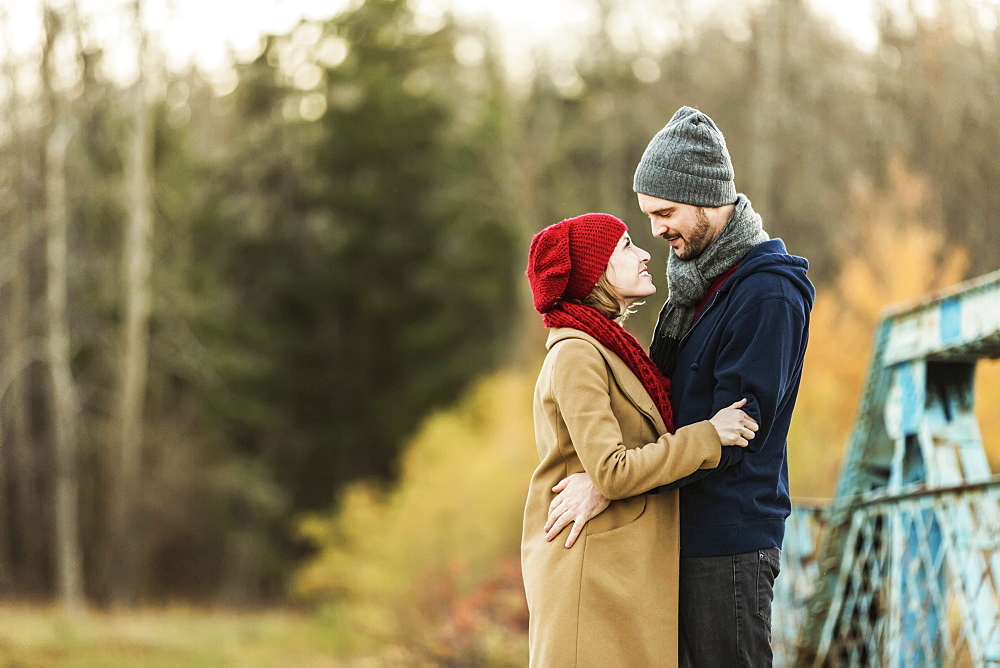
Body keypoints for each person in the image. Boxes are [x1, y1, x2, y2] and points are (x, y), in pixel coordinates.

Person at [544, 107, 815, 666]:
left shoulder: (766, 295)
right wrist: (610, 476)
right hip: (678, 535)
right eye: (648, 216)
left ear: (707, 197)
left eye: (665, 212)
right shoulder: (697, 290)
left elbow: (734, 435)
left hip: (728, 542)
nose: (656, 231)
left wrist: (612, 482)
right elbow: (669, 414)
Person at [521, 212, 759, 667]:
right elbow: (611, 470)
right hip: (591, 580)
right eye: (626, 245)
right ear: (595, 274)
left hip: (619, 574)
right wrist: (709, 435)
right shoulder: (577, 353)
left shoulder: (611, 347)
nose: (645, 252)